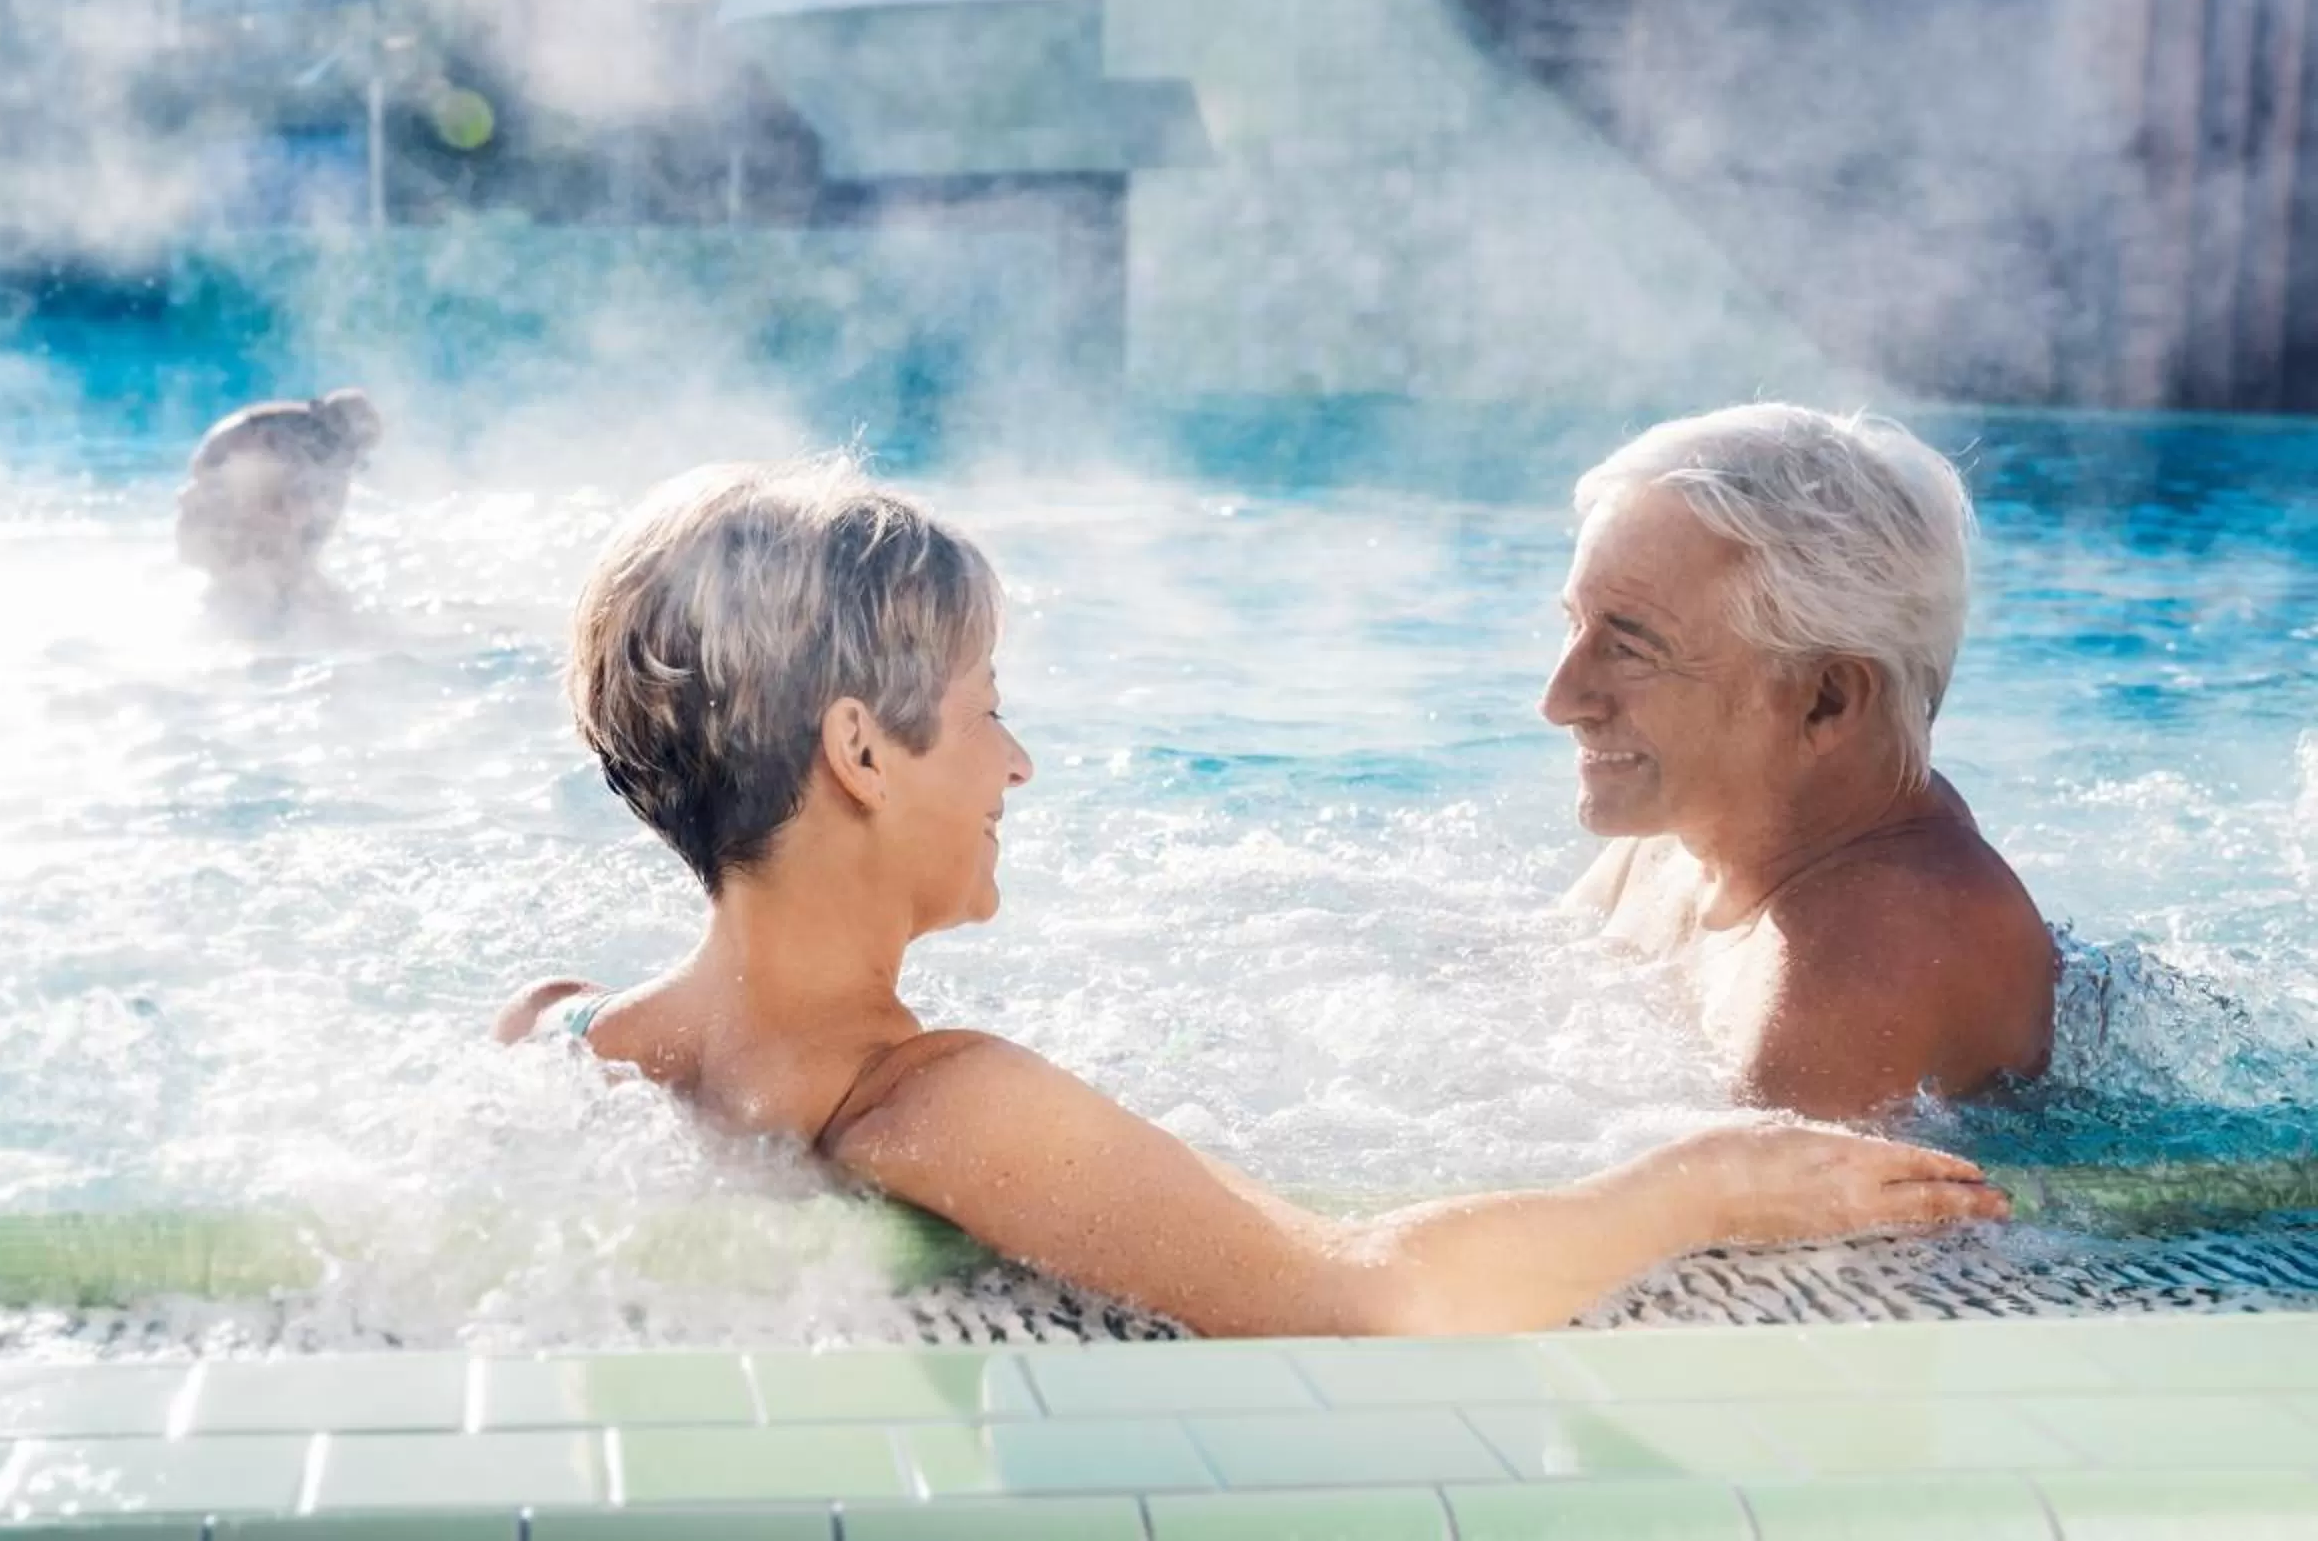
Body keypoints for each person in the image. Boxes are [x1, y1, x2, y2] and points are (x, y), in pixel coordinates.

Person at [496, 456, 2004, 1338]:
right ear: (862, 752)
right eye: (987, 707)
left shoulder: (571, 1031)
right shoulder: (933, 1100)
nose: (1017, 763)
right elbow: (1369, 1299)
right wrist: (1696, 1184)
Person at [1546, 403, 2055, 1120]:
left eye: (1629, 650)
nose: (1560, 700)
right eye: (1573, 625)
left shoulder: (1864, 961)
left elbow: (1738, 1230)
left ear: (1827, 700)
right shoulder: (1699, 830)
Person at [175, 389, 383, 636]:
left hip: (207, 510)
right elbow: (305, 519)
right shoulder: (291, 441)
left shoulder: (294, 432)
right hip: (214, 515)